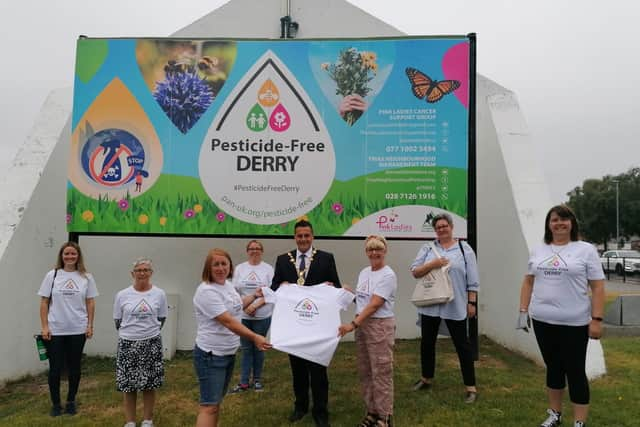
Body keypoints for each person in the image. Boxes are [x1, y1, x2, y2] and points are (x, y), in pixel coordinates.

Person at [518, 205, 605, 427]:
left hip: (574, 322)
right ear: (549, 224)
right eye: (555, 220)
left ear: (572, 223)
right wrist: (523, 311)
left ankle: (579, 421)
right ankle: (555, 414)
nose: (560, 223)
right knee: (553, 368)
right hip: (542, 321)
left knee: (575, 371)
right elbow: (528, 281)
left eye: (564, 219)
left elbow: (597, 287)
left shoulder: (585, 250)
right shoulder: (539, 250)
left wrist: (596, 320)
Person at [271, 219, 341, 427]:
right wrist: (281, 285)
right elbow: (274, 286)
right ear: (295, 237)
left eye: (306, 236)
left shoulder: (326, 258)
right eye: (299, 236)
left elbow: (336, 285)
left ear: (312, 236)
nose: (303, 239)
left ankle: (321, 411)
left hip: (317, 327)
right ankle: (300, 406)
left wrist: (331, 286)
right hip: (294, 327)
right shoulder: (283, 260)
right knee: (298, 369)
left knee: (318, 371)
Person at [193, 248, 272, 427]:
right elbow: (228, 321)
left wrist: (254, 295)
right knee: (209, 406)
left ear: (230, 267)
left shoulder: (227, 286)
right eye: (216, 264)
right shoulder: (206, 291)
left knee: (216, 402)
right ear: (208, 268)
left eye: (224, 264)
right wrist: (254, 337)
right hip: (211, 355)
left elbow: (236, 306)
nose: (221, 268)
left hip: (227, 353)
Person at [410, 213, 480, 403]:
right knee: (427, 343)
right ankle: (426, 378)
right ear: (435, 230)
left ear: (451, 227)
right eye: (438, 227)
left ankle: (470, 387)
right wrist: (433, 263)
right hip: (430, 304)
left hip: (455, 304)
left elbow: (472, 280)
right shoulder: (428, 248)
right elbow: (415, 271)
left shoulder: (465, 250)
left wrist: (471, 302)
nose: (442, 229)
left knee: (462, 346)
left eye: (444, 226)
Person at [338, 235, 396, 427]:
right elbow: (362, 301)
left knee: (381, 372)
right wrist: (349, 294)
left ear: (385, 250)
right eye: (370, 249)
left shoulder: (388, 275)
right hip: (363, 326)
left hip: (379, 326)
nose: (374, 252)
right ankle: (371, 411)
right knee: (366, 372)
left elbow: (374, 305)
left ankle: (384, 417)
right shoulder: (364, 272)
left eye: (378, 248)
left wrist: (352, 325)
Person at [37, 241, 99, 416]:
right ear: (61, 256)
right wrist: (44, 326)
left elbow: (90, 302)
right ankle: (56, 404)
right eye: (66, 254)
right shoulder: (53, 275)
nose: (70, 257)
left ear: (78, 256)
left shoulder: (86, 277)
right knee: (55, 368)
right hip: (55, 329)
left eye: (73, 253)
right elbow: (44, 302)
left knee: (74, 367)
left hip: (78, 329)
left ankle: (71, 401)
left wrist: (90, 325)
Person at [113, 258, 168, 427]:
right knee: (129, 386)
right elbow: (118, 320)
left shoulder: (159, 294)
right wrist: (132, 333)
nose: (142, 273)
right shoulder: (122, 295)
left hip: (151, 343)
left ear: (151, 273)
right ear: (132, 274)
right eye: (138, 270)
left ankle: (147, 420)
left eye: (146, 270)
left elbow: (162, 317)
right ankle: (130, 422)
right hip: (128, 343)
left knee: (149, 384)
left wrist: (148, 332)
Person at [229, 240, 274, 393]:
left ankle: (257, 380)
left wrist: (255, 305)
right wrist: (246, 305)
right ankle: (243, 382)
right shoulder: (240, 268)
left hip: (263, 315)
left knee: (259, 348)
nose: (254, 251)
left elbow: (271, 293)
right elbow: (234, 291)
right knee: (246, 349)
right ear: (247, 251)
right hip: (244, 316)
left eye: (257, 248)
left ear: (262, 251)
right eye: (251, 248)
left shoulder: (268, 269)